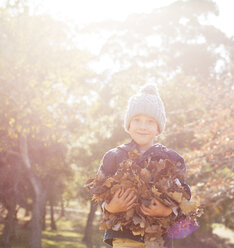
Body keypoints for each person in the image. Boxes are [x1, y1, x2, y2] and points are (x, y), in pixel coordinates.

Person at [97, 84, 191, 248]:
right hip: (125, 237)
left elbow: (184, 195)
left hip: (159, 239)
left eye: (150, 121)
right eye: (137, 120)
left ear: (158, 128)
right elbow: (99, 189)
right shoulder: (114, 156)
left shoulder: (172, 159)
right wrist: (110, 207)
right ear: (129, 124)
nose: (142, 126)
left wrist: (168, 211)